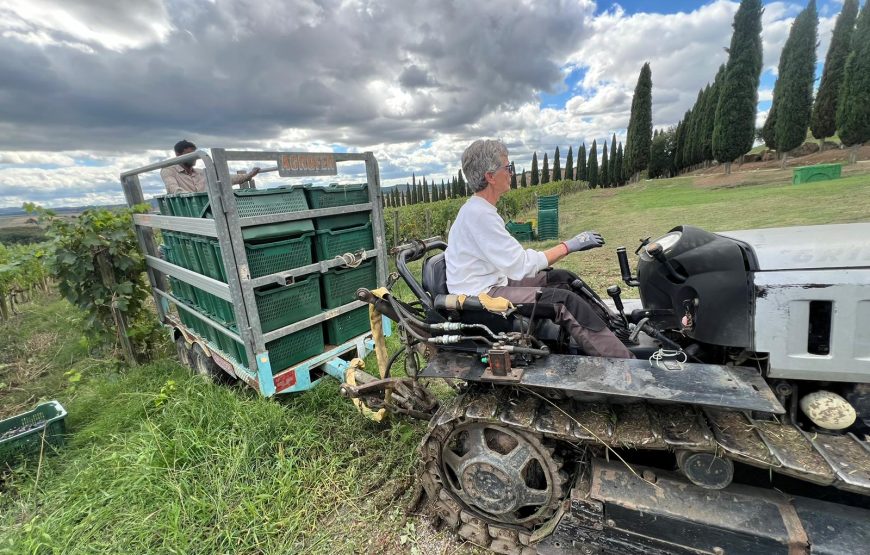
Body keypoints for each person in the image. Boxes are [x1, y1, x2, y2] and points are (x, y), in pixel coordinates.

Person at [445, 139, 633, 358]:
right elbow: (521, 266)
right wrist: (568, 246)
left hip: (492, 282)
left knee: (564, 278)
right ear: (490, 177)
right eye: (508, 168)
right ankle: (625, 364)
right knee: (563, 301)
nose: (511, 173)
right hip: (481, 295)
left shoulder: (479, 210)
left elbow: (510, 262)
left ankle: (614, 330)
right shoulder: (479, 215)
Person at [160, 139, 261, 194]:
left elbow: (226, 178)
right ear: (178, 155)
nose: (193, 157)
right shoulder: (169, 171)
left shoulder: (201, 172)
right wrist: (193, 197)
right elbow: (173, 188)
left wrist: (249, 175)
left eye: (194, 154)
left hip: (207, 211)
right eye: (189, 154)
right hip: (187, 211)